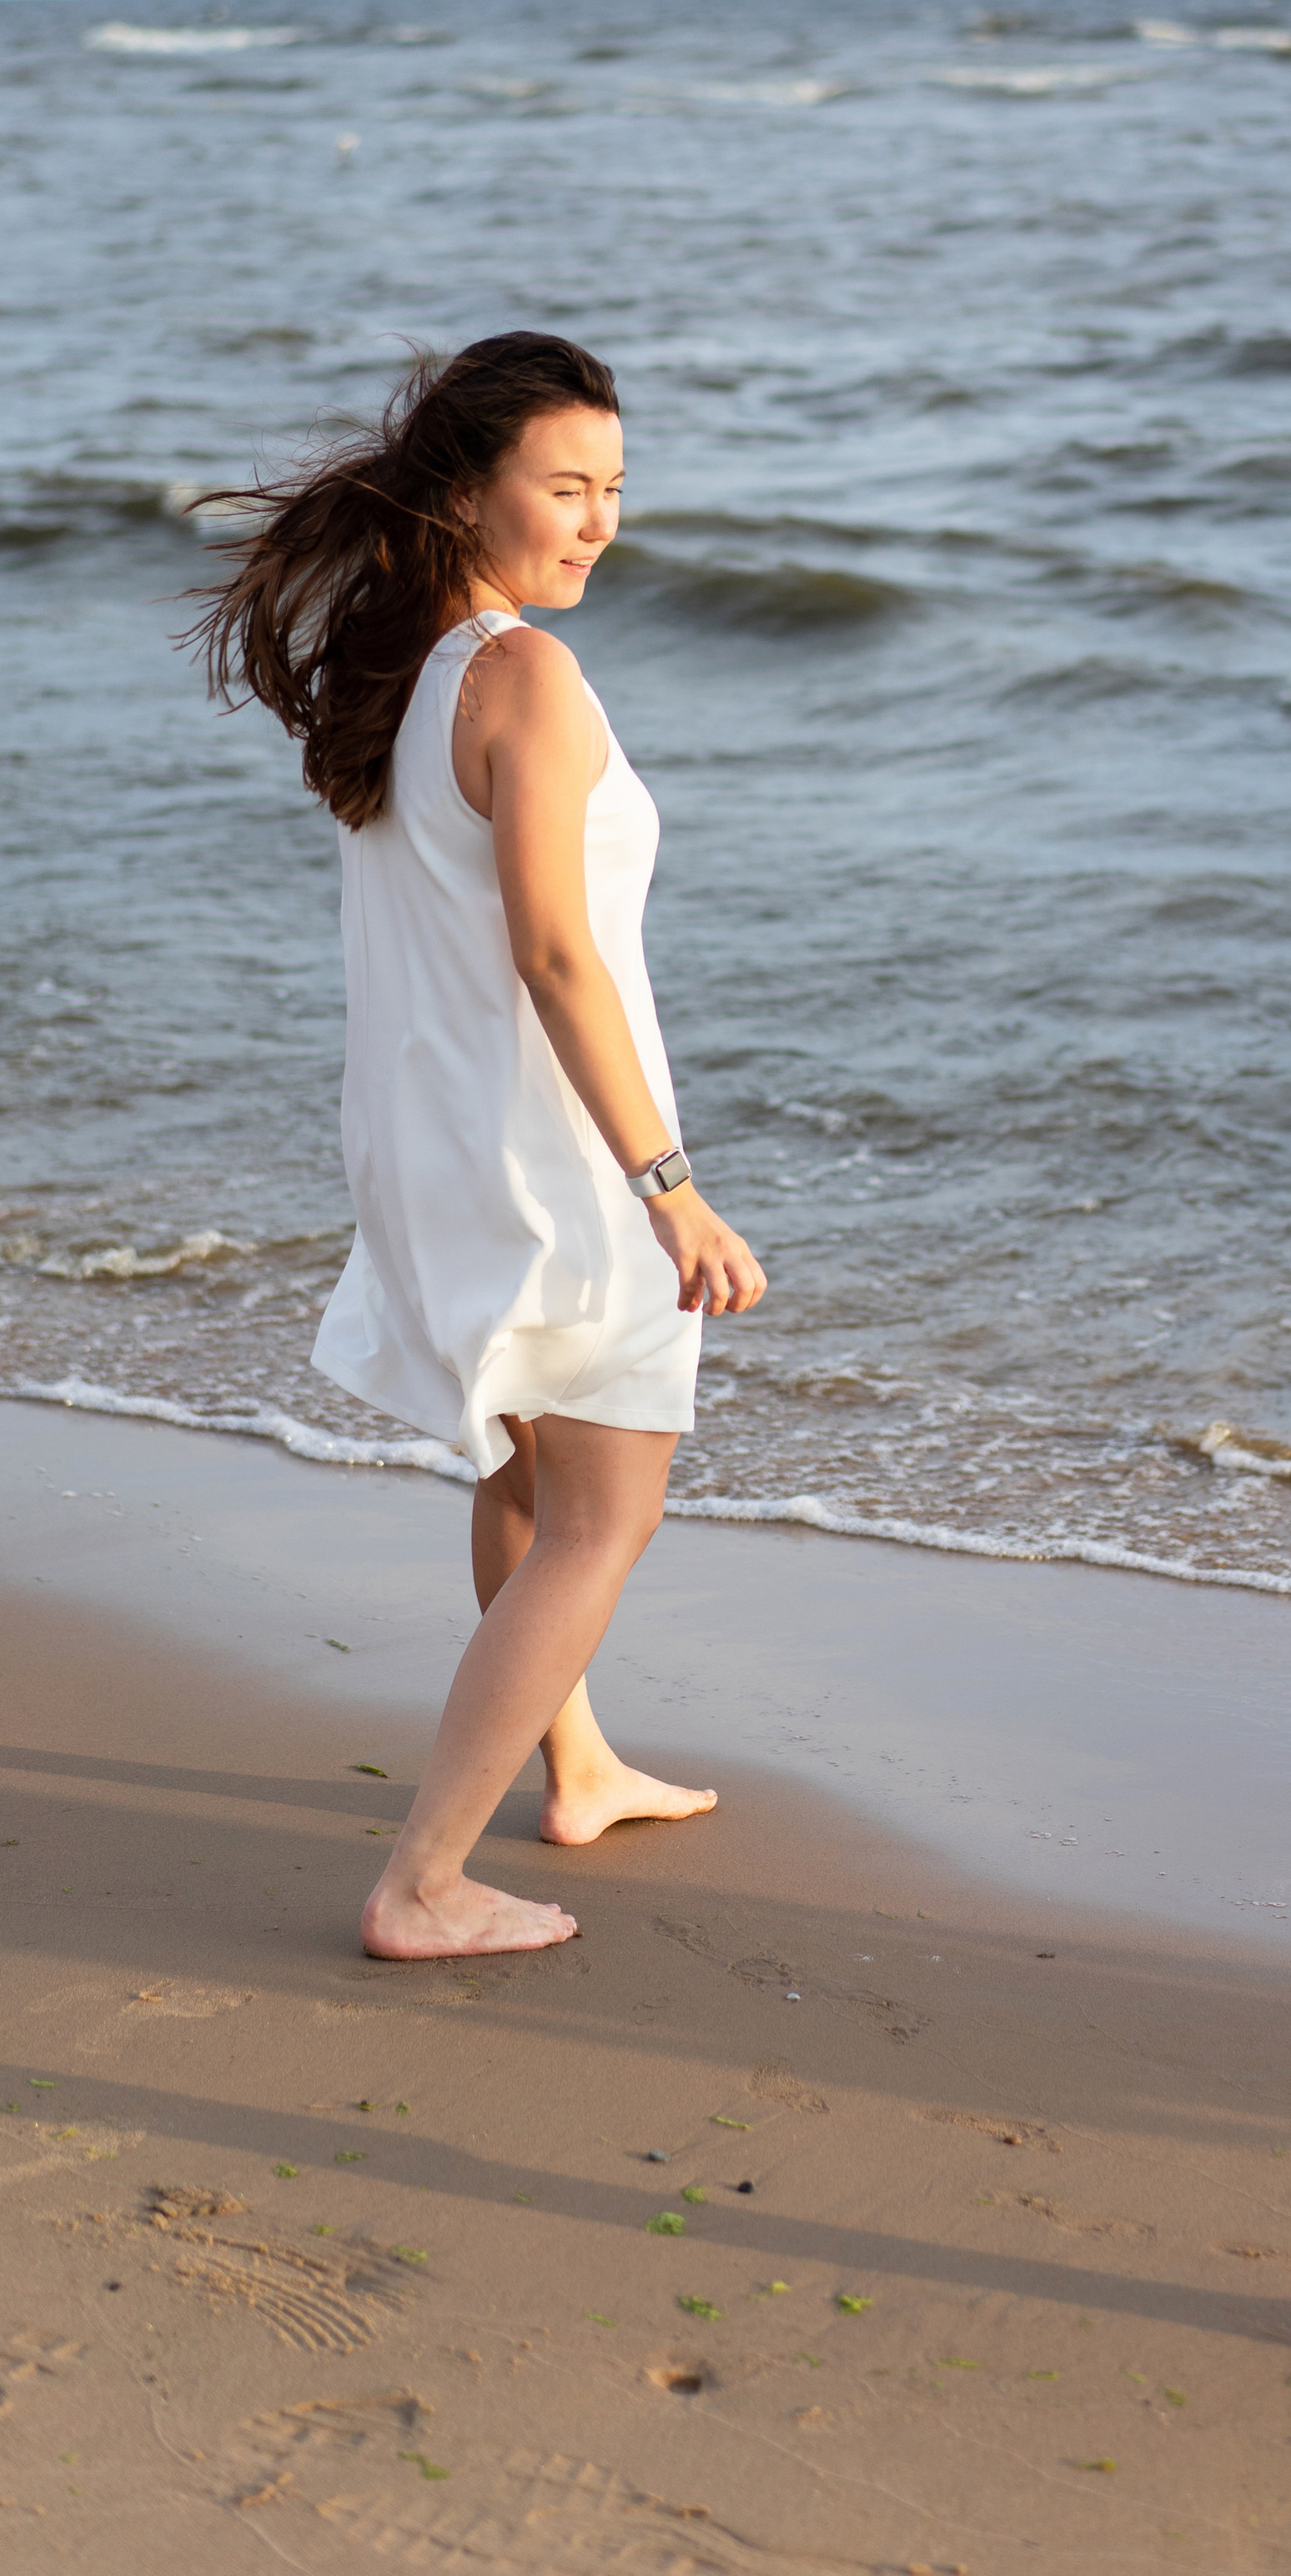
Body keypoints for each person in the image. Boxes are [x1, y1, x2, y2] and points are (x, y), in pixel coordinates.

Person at [192, 333, 765, 1961]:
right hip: (553, 1158)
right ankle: (421, 1882)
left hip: (439, 1140)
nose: (597, 525)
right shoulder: (524, 677)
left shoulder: (412, 674)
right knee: (603, 1516)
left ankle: (572, 1767)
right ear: (465, 493)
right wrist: (673, 1189)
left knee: (530, 1469)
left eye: (614, 493)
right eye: (565, 489)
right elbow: (554, 954)